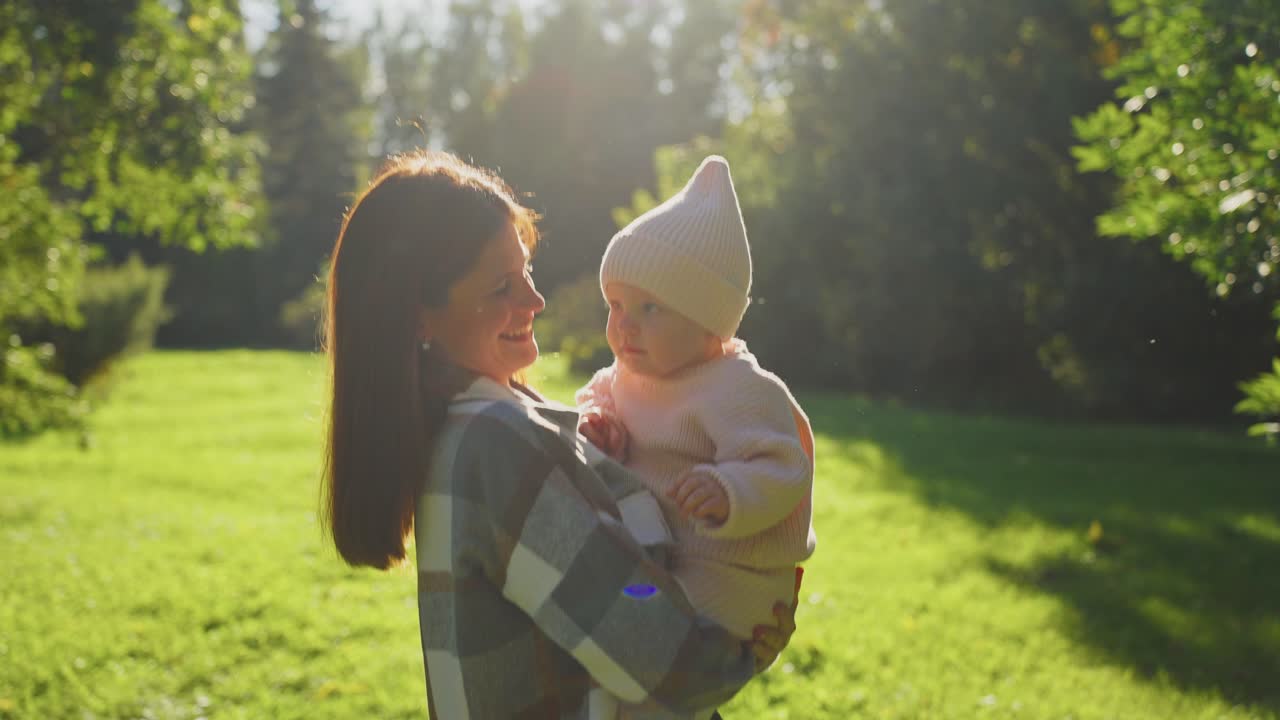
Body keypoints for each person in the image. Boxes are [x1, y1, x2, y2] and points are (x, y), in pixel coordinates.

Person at [321, 150, 798, 719]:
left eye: (525, 271)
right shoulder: (495, 443)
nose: (535, 300)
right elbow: (653, 649)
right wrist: (737, 651)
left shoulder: (471, 423)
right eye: (501, 287)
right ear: (421, 315)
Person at [576, 155, 816, 644]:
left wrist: (728, 490)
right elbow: (593, 401)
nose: (625, 324)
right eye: (616, 305)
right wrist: (598, 423)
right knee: (615, 615)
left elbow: (784, 466)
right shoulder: (623, 376)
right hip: (660, 553)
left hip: (731, 573)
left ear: (707, 321)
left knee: (647, 632)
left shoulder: (738, 388)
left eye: (649, 308)